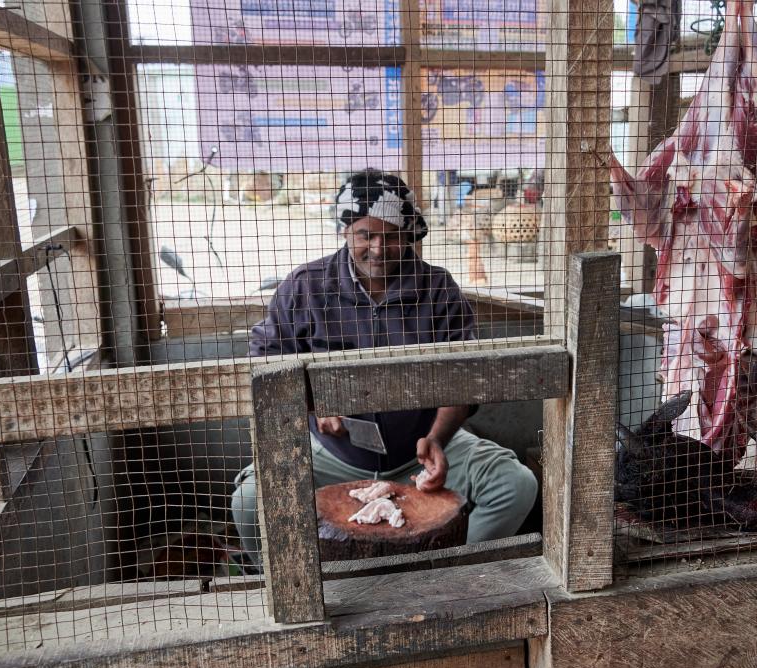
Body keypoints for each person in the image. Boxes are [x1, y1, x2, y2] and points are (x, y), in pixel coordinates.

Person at [231, 169, 538, 568]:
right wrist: (312, 404)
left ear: (408, 234)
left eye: (392, 235)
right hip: (328, 453)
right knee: (250, 501)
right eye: (366, 235)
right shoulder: (306, 287)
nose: (378, 248)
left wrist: (438, 439)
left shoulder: (437, 289)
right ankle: (312, 586)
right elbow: (266, 357)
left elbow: (463, 378)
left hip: (422, 448)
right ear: (345, 232)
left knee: (514, 485)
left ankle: (442, 583)